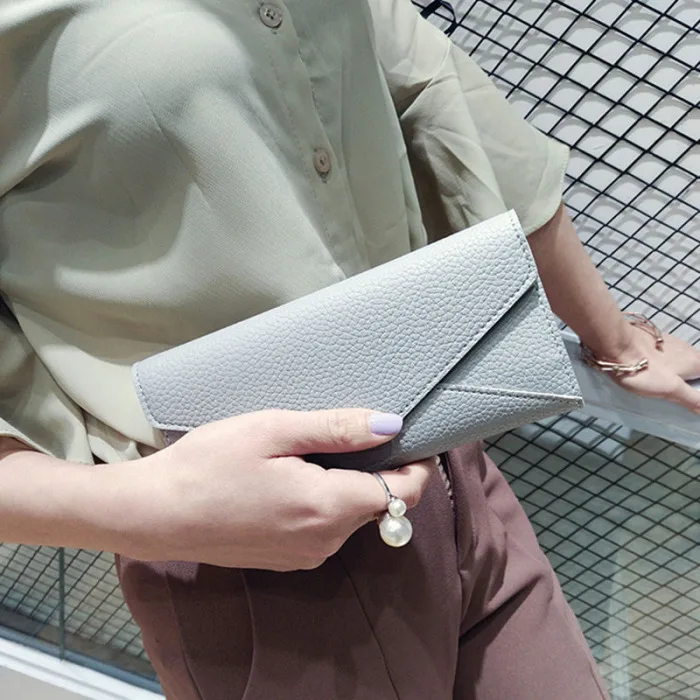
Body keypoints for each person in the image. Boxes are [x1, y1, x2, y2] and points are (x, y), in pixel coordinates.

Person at [1, 0, 698, 698]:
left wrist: (616, 343)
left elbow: (438, 92)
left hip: (448, 456)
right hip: (253, 558)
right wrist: (159, 511)